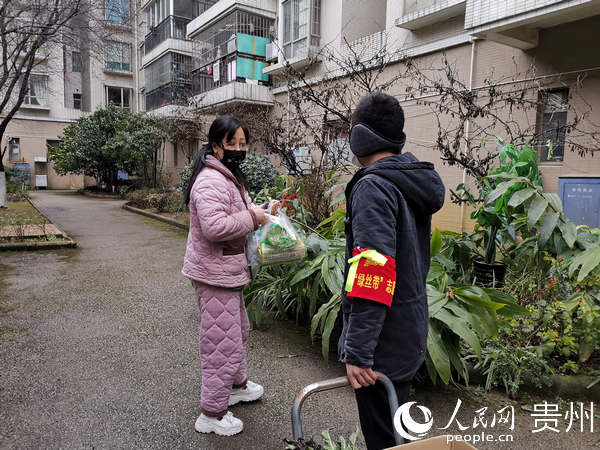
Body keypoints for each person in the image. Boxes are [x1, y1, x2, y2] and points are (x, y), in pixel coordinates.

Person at [338, 92, 445, 449]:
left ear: (361, 136)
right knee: (399, 432)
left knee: (383, 438)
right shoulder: (407, 180)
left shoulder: (373, 186)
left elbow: (374, 271)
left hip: (382, 345)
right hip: (406, 330)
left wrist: (358, 352)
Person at [182, 115, 279, 436]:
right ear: (215, 146)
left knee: (236, 331)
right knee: (220, 343)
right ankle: (211, 413)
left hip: (228, 270)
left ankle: (235, 386)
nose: (239, 149)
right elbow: (215, 227)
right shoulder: (210, 181)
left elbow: (238, 215)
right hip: (214, 273)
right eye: (232, 144)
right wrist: (253, 216)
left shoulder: (227, 176)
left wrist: (264, 210)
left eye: (242, 143)